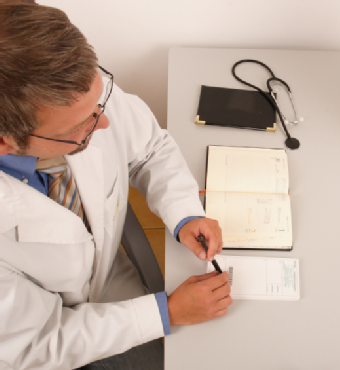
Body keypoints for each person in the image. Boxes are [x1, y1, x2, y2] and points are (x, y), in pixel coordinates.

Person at [0, 3, 232, 369]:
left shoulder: (75, 96)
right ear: (5, 142)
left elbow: (149, 148)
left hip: (108, 280)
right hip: (56, 335)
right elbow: (38, 344)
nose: (105, 123)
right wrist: (165, 313)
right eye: (78, 130)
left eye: (100, 101)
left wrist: (184, 212)